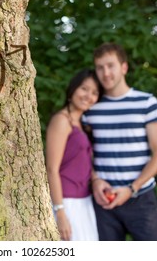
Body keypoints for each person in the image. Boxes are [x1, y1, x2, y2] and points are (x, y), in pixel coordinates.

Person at [83, 42, 157, 241]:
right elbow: (86, 152)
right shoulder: (90, 107)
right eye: (100, 67)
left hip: (140, 198)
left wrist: (132, 188)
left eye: (110, 65)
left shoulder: (146, 102)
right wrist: (95, 180)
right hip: (103, 200)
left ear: (124, 67)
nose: (105, 73)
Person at [45, 69, 102, 241]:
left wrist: (97, 180)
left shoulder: (82, 124)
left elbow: (82, 164)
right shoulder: (62, 120)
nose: (88, 96)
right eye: (84, 89)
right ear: (73, 90)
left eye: (94, 93)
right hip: (67, 202)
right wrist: (60, 211)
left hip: (85, 201)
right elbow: (52, 169)